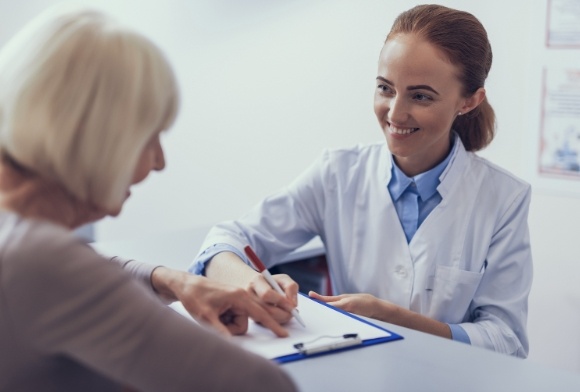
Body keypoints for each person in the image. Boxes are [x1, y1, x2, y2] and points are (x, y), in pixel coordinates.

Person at [191, 4, 533, 358]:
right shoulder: (337, 174)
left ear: (469, 101)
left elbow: (507, 339)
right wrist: (253, 285)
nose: (395, 113)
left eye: (420, 96)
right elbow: (225, 240)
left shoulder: (503, 198)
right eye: (386, 88)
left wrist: (392, 318)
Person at [0, 7, 296, 392]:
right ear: (97, 136)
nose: (159, 161)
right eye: (149, 136)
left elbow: (81, 261)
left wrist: (174, 282)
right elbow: (263, 385)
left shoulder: (19, 236)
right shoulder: (41, 263)